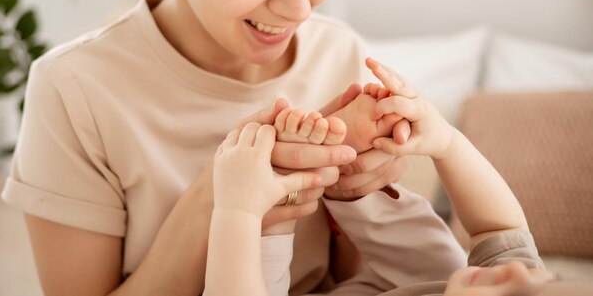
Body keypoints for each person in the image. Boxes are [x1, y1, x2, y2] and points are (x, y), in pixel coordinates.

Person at [0, 0, 469, 295]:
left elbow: (356, 280)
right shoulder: (72, 88)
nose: (299, 6)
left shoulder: (339, 52)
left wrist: (354, 194)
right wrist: (220, 195)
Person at [206, 58, 593, 296]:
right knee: (444, 262)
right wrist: (446, 142)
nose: (516, 272)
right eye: (551, 282)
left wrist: (236, 210)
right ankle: (346, 176)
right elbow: (500, 228)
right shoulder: (505, 279)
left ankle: (282, 203)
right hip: (421, 281)